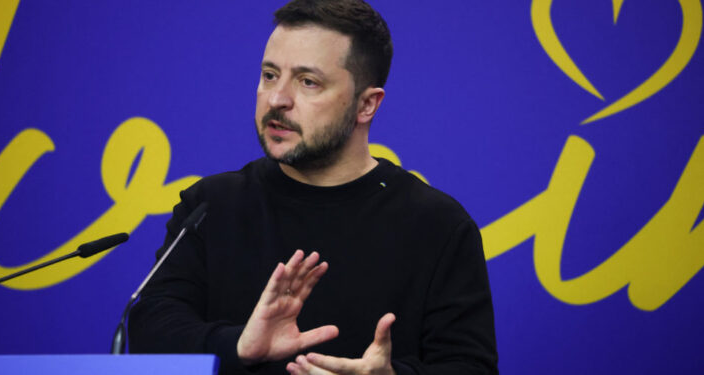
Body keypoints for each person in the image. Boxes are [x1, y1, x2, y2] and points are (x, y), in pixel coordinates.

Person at [128, 1, 499, 374]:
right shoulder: (209, 206)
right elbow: (148, 332)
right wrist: (238, 344)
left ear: (366, 105)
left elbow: (470, 367)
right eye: (270, 75)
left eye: (308, 82)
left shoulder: (437, 224)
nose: (277, 99)